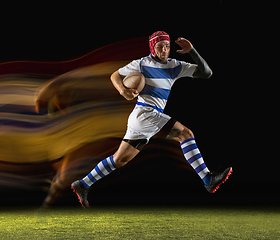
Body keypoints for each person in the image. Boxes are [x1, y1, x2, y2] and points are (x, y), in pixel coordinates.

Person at [71, 31, 232, 208]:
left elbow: (206, 73)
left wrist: (192, 50)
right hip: (146, 113)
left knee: (119, 160)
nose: (165, 49)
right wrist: (122, 90)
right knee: (185, 134)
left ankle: (83, 184)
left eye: (168, 46)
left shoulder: (175, 65)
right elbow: (115, 75)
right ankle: (207, 178)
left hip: (142, 117)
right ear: (152, 48)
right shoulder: (141, 63)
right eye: (160, 46)